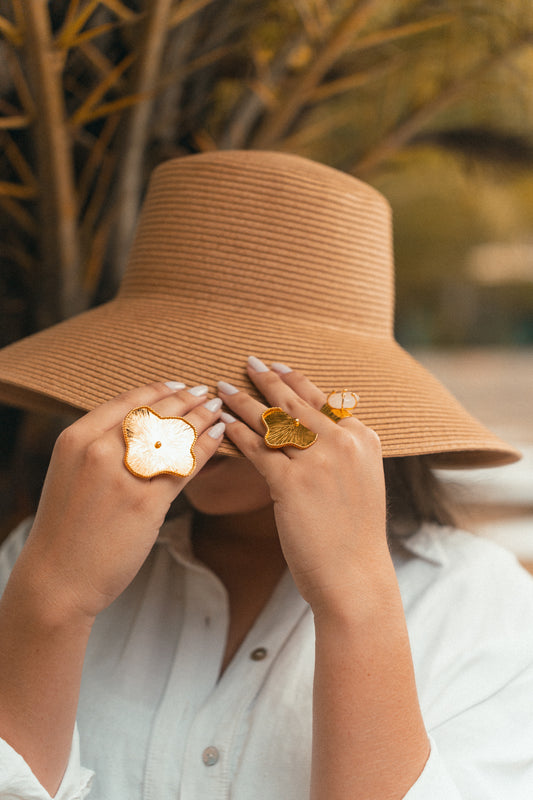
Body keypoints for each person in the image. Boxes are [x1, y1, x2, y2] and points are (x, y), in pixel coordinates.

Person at [0, 150, 531, 800]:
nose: (213, 423)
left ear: (341, 409)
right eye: (180, 376)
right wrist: (54, 598)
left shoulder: (479, 604)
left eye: (249, 392)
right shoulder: (44, 551)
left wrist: (355, 597)